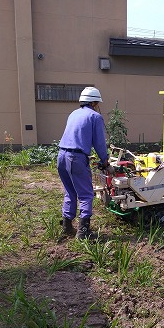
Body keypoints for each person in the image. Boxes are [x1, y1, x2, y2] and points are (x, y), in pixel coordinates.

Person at [57, 86, 109, 239]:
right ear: (94, 103)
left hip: (61, 156)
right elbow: (99, 143)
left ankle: (67, 226)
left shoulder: (73, 114)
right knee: (86, 195)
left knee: (70, 191)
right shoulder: (95, 117)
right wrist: (105, 162)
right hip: (76, 158)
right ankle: (83, 232)